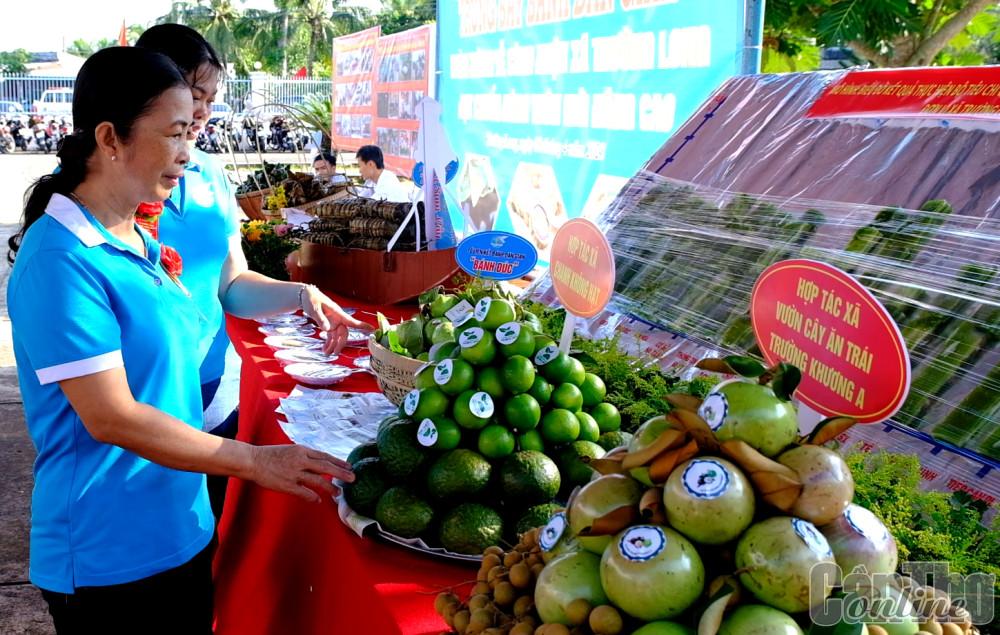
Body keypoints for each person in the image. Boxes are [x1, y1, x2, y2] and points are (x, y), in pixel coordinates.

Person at [7, 46, 353, 634]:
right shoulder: (60, 259)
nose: (187, 153)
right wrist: (252, 460)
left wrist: (298, 294)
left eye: (191, 130)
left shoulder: (135, 237)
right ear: (111, 138)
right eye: (173, 134)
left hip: (180, 526)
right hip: (107, 555)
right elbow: (112, 417)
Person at [136, 24, 368, 519]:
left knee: (205, 540)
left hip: (211, 390)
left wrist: (303, 295)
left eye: (209, 97)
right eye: (193, 94)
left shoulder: (210, 176)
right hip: (142, 398)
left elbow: (232, 285)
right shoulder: (111, 189)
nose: (201, 111)